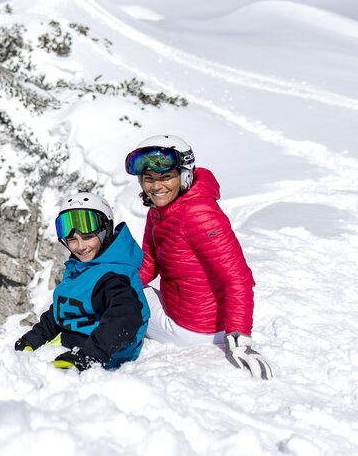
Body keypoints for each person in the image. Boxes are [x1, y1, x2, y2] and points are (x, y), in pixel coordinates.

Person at [124, 134, 273, 379]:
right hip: (184, 313)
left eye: (166, 177)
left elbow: (238, 279)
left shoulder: (200, 216)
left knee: (112, 295)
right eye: (148, 179)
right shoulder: (160, 211)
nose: (156, 186)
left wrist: (240, 339)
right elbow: (150, 264)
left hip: (193, 330)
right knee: (115, 285)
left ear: (185, 175)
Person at [14, 192, 150, 370]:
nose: (80, 246)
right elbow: (62, 309)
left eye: (87, 237)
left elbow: (125, 316)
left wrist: (88, 355)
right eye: (72, 240)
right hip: (80, 345)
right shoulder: (81, 267)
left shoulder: (112, 276)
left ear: (105, 232)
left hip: (106, 353)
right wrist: (32, 339)